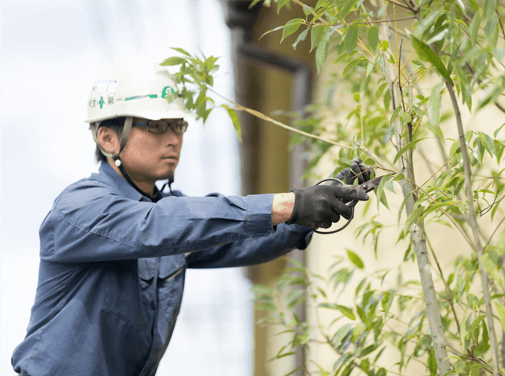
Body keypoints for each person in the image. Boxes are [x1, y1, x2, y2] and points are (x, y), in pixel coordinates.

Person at [11, 55, 370, 376]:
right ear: (107, 138)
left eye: (177, 125)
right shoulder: (79, 209)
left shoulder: (170, 219)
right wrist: (289, 204)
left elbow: (235, 237)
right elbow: (160, 225)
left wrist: (305, 217)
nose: (173, 139)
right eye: (155, 126)